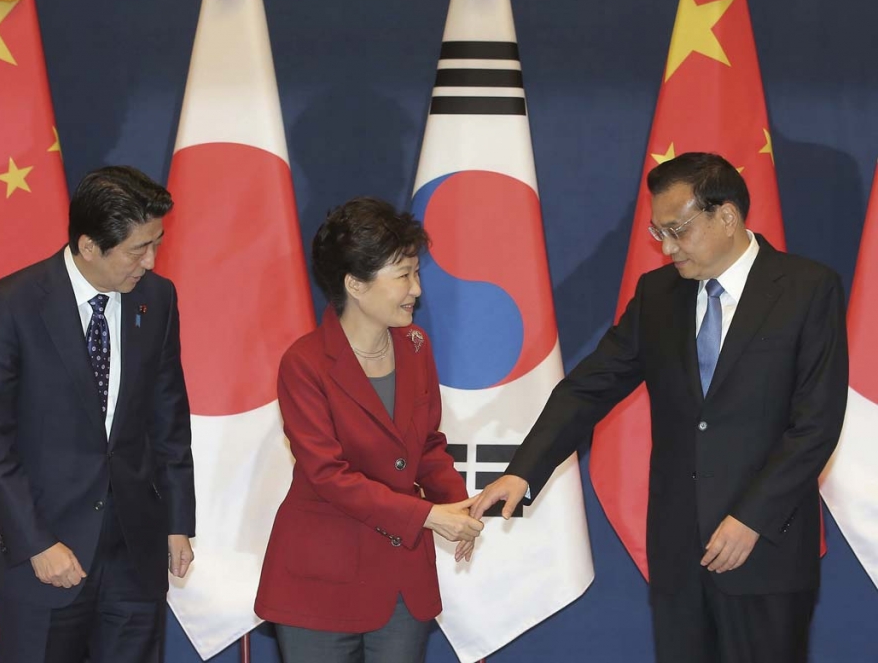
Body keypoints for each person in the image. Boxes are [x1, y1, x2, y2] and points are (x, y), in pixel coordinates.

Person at [473, 153, 848, 663]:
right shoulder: (658, 294)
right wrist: (525, 469)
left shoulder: (808, 289)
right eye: (658, 232)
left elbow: (816, 425)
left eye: (677, 230)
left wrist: (750, 519)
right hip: (678, 556)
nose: (667, 247)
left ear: (727, 217)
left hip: (766, 551)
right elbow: (589, 386)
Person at [0, 166, 196, 663]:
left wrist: (178, 521)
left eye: (156, 243)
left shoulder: (157, 300)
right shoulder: (11, 304)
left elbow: (169, 419)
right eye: (139, 249)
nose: (152, 261)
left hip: (135, 555)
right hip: (45, 554)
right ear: (90, 246)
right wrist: (36, 543)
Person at [255, 197, 483, 663]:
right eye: (403, 275)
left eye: (416, 273)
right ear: (355, 284)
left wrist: (457, 506)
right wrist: (426, 516)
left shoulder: (416, 346)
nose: (416, 290)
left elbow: (427, 446)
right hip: (319, 580)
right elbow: (328, 475)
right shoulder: (305, 363)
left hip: (401, 578)